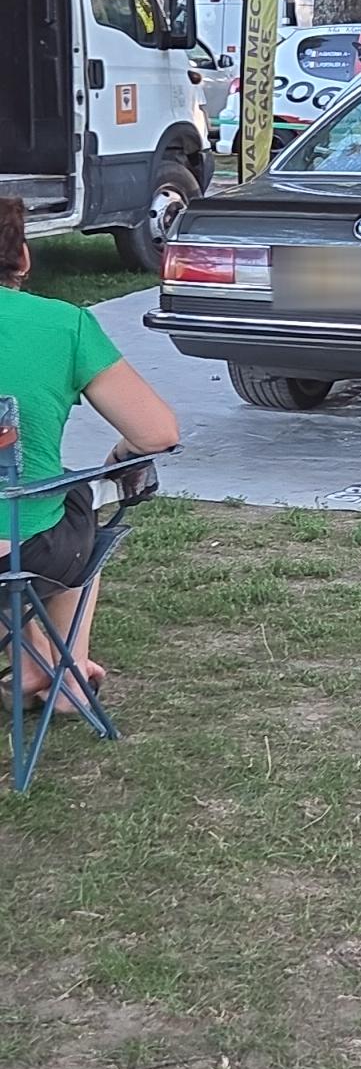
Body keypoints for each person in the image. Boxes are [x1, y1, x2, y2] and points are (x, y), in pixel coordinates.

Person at [0, 198, 179, 709]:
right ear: (24, 259)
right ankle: (68, 674)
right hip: (22, 553)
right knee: (67, 501)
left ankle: (36, 661)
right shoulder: (61, 325)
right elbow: (158, 433)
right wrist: (121, 454)